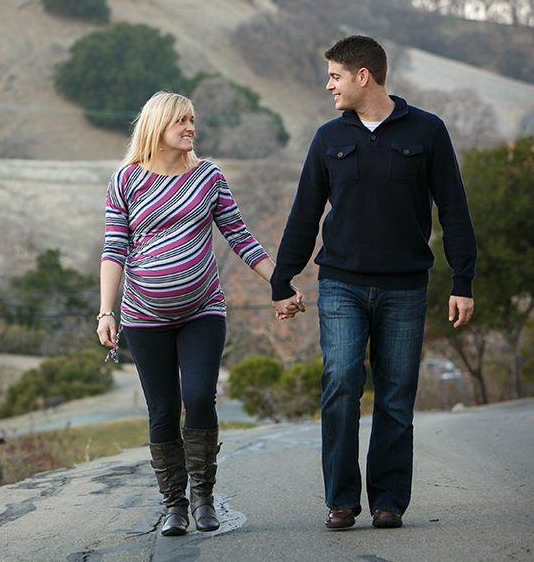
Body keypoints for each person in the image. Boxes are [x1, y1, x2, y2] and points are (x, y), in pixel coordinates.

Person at [271, 35, 477, 530]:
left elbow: (454, 209)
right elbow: (304, 214)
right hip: (340, 282)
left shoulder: (428, 131)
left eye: (335, 76)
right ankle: (341, 499)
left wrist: (463, 280)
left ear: (363, 76)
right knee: (341, 382)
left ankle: (388, 501)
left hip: (407, 286)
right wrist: (283, 280)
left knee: (395, 396)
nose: (329, 86)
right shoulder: (327, 138)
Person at [97, 91, 302, 537]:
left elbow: (240, 236)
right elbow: (114, 249)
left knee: (198, 396)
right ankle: (173, 505)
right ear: (158, 127)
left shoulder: (209, 177)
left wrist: (279, 284)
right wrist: (104, 313)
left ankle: (203, 497)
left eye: (193, 120)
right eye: (182, 121)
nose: (191, 128)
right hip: (143, 317)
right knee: (163, 410)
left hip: (202, 310)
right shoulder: (126, 180)